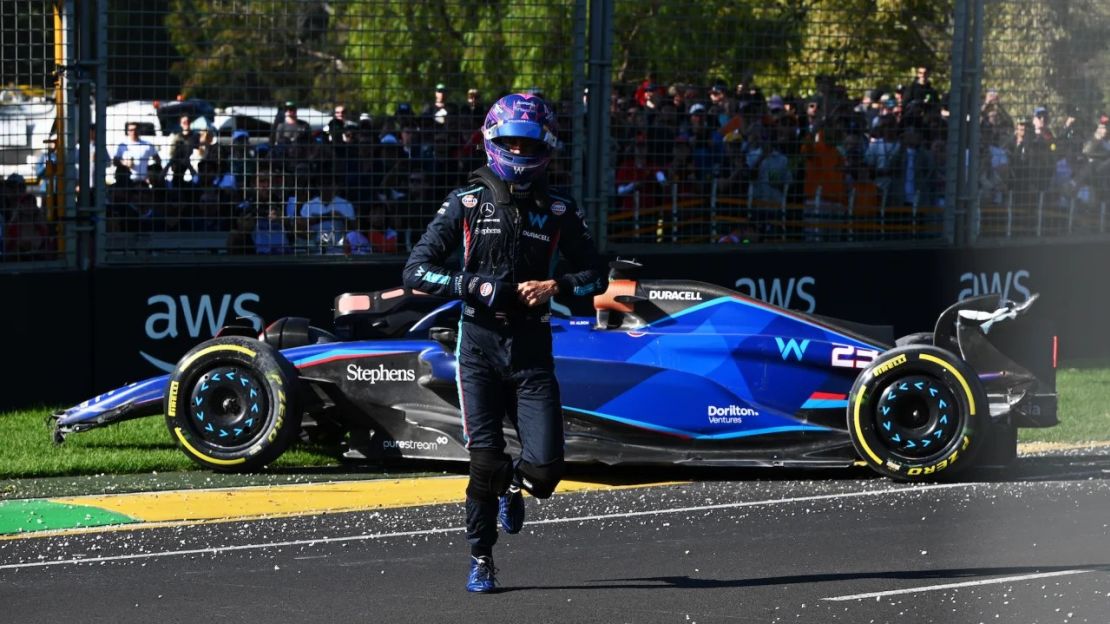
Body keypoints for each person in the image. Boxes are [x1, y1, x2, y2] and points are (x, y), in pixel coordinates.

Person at [402, 92, 605, 593]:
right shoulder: (468, 201)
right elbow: (415, 271)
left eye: (528, 143)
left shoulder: (559, 209)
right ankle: (481, 558)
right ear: (493, 140)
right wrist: (473, 285)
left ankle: (518, 484)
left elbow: (597, 274)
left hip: (533, 350)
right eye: (511, 141)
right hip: (479, 347)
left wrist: (556, 286)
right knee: (484, 461)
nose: (518, 151)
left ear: (546, 147)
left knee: (547, 471)